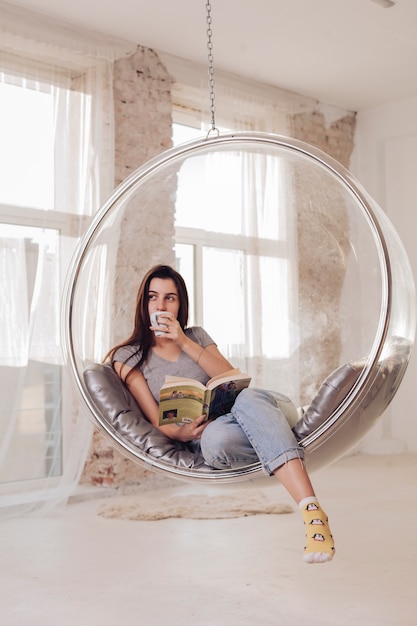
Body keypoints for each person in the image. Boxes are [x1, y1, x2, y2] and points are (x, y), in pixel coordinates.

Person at [106, 264, 335, 564]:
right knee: (215, 443)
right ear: (143, 303)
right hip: (215, 433)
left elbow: (230, 377)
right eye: (153, 297)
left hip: (257, 406)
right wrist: (181, 433)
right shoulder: (128, 357)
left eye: (170, 298)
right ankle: (276, 436)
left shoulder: (196, 336)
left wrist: (183, 341)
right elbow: (153, 418)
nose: (160, 305)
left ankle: (312, 514)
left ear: (180, 304)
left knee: (248, 398)